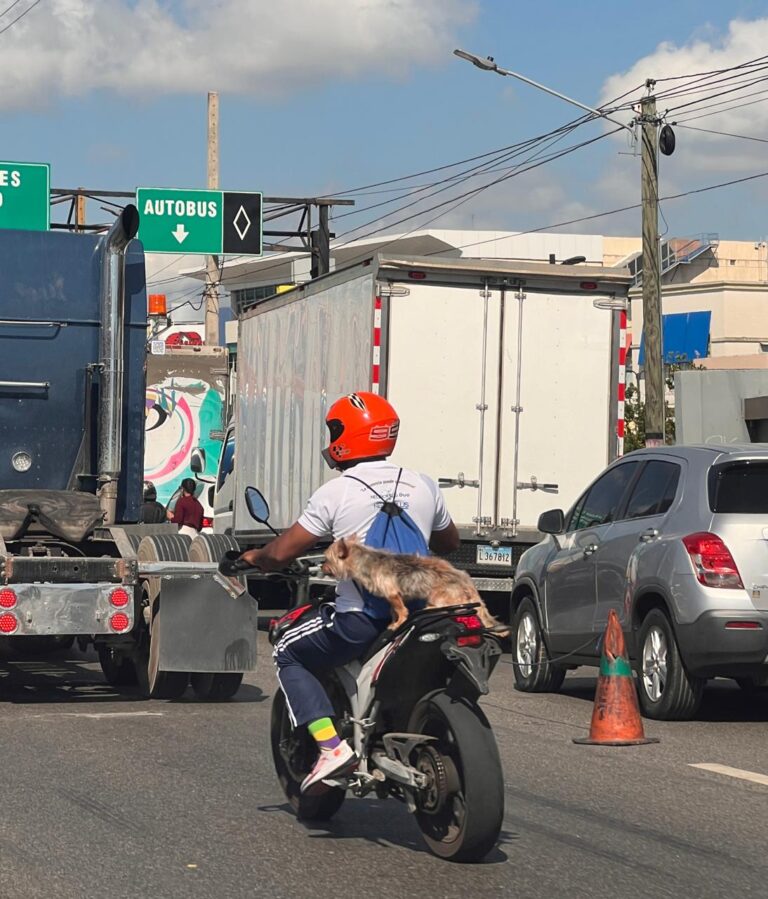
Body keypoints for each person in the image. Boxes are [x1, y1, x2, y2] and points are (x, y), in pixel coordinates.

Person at [237, 391, 459, 792]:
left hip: (361, 621)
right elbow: (448, 543)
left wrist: (253, 557)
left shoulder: (337, 492)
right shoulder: (424, 484)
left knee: (288, 649)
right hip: (421, 616)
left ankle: (331, 746)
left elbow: (281, 553)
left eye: (334, 429)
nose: (331, 438)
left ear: (349, 435)